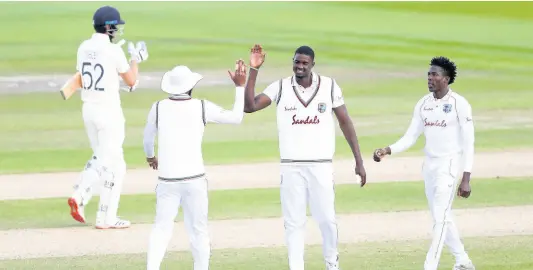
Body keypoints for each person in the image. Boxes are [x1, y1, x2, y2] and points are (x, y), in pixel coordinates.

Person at [243, 44, 367, 270]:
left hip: (320, 166)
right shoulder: (280, 87)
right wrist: (254, 70)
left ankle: (332, 264)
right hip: (291, 167)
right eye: (296, 62)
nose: (299, 67)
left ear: (312, 65)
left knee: (327, 220)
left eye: (304, 63)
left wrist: (358, 160)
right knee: (294, 224)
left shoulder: (329, 86)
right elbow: (249, 107)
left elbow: (345, 121)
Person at [373, 56, 475, 270]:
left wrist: (466, 177)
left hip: (449, 166)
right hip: (429, 166)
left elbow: (469, 143)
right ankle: (463, 261)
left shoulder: (459, 104)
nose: (429, 78)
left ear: (445, 79)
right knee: (443, 217)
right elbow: (410, 137)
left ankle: (430, 266)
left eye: (434, 74)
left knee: (440, 218)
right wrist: (388, 150)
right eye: (429, 74)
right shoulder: (423, 104)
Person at [143, 60, 248, 270]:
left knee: (161, 229)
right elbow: (236, 118)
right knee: (198, 231)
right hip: (195, 179)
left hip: (167, 180)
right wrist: (239, 87)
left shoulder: (158, 107)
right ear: (191, 86)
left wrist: (151, 157)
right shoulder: (202, 106)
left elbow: (147, 138)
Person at [67, 5, 149, 229]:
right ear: (109, 27)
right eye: (116, 26)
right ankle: (80, 193)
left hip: (89, 110)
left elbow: (85, 76)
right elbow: (132, 81)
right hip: (109, 112)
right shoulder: (114, 52)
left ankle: (106, 218)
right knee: (105, 159)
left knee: (116, 165)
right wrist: (136, 59)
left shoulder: (83, 47)